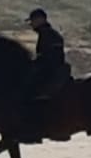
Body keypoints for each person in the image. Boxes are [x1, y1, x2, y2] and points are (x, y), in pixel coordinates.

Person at [19, 8, 69, 139]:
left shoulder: (47, 35)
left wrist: (32, 66)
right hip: (56, 70)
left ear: (40, 20)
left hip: (51, 72)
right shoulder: (50, 34)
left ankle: (40, 125)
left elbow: (47, 58)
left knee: (33, 94)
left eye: (33, 21)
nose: (31, 25)